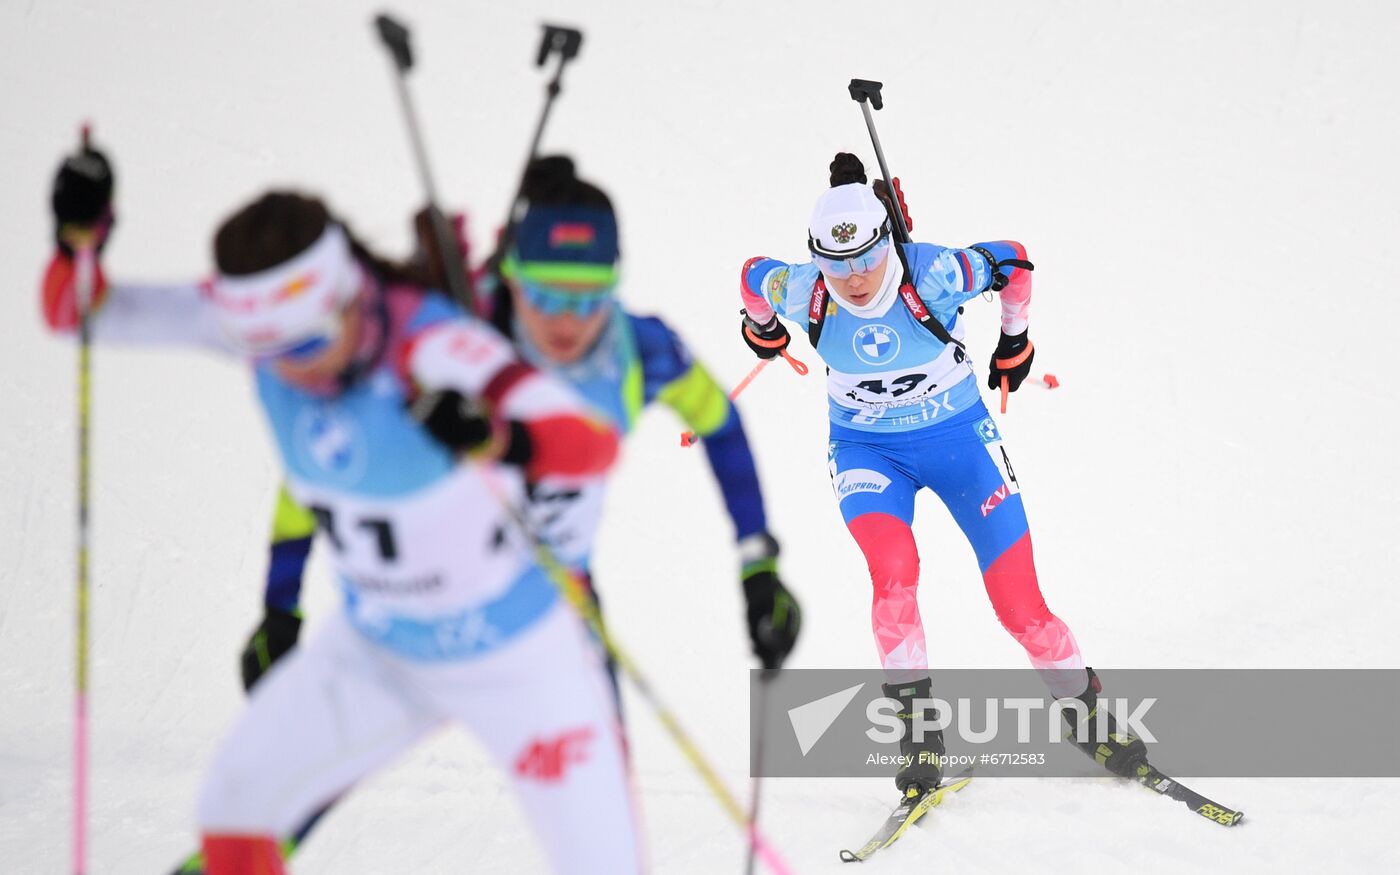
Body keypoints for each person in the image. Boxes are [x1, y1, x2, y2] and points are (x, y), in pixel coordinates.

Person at [42, 143, 643, 874]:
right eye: (268, 349)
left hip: (516, 654)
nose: (296, 366)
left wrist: (496, 433)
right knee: (236, 803)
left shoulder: (430, 340)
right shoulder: (264, 319)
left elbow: (588, 443)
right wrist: (81, 239)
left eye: (312, 340)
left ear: (348, 296)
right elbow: (77, 312)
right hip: (378, 649)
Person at [241, 156, 801, 696]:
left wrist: (758, 561)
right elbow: (325, 465)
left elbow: (721, 426)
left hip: (555, 605)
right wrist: (280, 608)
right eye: (545, 296)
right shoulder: (452, 339)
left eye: (588, 301)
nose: (566, 322)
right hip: (420, 611)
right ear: (510, 278)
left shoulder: (639, 349)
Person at [735, 152, 1146, 799]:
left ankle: (1087, 711)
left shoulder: (932, 274)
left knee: (1021, 605)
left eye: (867, 257)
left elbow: (1010, 259)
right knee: (893, 571)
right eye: (835, 263)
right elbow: (752, 277)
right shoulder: (805, 289)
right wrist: (759, 328)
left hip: (959, 443)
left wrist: (1016, 340)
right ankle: (919, 736)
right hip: (869, 450)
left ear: (886, 242)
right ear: (817, 257)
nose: (855, 278)